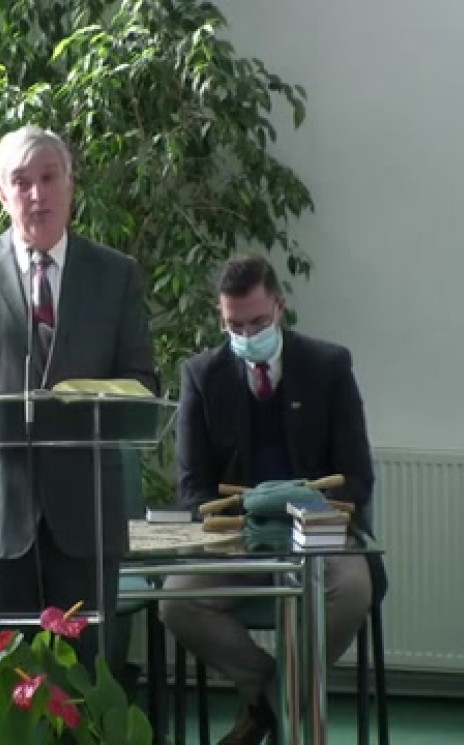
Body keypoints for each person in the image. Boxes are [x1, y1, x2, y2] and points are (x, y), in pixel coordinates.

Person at [0, 126, 159, 682]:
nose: (37, 194)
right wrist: (6, 408)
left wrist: (88, 401)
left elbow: (142, 381)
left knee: (80, 693)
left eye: (49, 178)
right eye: (21, 182)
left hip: (84, 517)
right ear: (1, 194)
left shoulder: (115, 275)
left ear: (71, 186)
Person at [159, 253, 380, 745]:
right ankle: (272, 697)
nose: (247, 334)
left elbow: (357, 475)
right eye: (234, 325)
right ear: (221, 319)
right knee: (175, 601)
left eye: (258, 322)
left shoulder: (329, 365)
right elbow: (192, 488)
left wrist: (308, 511)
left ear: (280, 306)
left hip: (318, 531)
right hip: (239, 533)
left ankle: (264, 712)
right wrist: (249, 518)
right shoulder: (201, 374)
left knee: (352, 591)